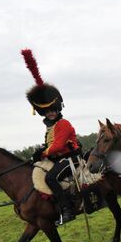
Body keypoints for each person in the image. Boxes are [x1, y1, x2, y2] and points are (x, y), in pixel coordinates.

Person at [22, 49, 79, 225]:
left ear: (57, 109)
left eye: (53, 110)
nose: (51, 113)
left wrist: (44, 152)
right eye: (47, 111)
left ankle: (67, 210)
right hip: (58, 159)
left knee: (50, 178)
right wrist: (41, 151)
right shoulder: (50, 127)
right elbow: (50, 145)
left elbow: (58, 145)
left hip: (71, 159)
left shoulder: (63, 123)